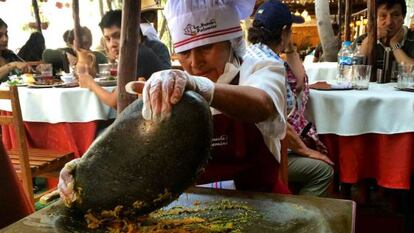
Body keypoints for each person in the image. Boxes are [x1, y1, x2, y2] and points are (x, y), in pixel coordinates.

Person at [58, 0, 289, 205]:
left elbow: (262, 104)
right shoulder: (174, 86)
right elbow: (135, 146)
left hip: (261, 207)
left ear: (232, 41)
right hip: (190, 209)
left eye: (207, 47)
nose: (195, 63)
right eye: (185, 53)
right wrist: (87, 168)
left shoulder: (260, 68)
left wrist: (202, 87)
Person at [247, 0, 334, 197]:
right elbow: (279, 121)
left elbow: (300, 82)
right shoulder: (270, 65)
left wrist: (289, 47)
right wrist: (306, 151)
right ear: (285, 31)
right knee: (323, 171)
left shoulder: (253, 54)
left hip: (261, 146)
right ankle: (298, 218)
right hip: (268, 153)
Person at [77, 9, 170, 109]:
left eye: (117, 36)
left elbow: (115, 102)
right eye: (108, 39)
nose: (112, 44)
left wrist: (90, 83)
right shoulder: (139, 52)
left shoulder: (138, 55)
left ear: (136, 35)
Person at [356, 0, 414, 67]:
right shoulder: (362, 40)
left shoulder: (412, 38)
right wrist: (371, 39)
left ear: (403, 17)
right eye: (383, 16)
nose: (389, 22)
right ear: (375, 19)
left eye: (395, 15)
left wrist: (394, 44)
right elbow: (350, 72)